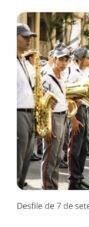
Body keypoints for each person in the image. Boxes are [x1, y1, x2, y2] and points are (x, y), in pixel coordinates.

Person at [41, 47, 70, 189]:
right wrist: (47, 125)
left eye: (66, 60)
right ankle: (47, 186)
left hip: (63, 115)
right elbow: (43, 103)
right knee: (50, 154)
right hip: (53, 117)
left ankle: (54, 185)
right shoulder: (46, 77)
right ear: (54, 59)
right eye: (61, 60)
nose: (63, 63)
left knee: (58, 155)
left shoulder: (62, 77)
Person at [67, 47, 89, 190]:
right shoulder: (73, 73)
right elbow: (69, 97)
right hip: (76, 110)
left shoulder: (83, 72)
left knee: (83, 147)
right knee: (75, 147)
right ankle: (73, 181)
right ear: (81, 59)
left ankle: (79, 177)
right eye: (87, 58)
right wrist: (73, 119)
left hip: (84, 109)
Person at [17, 23, 37, 189]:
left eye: (30, 37)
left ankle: (19, 184)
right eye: (25, 37)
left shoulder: (23, 61)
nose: (29, 40)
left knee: (26, 155)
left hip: (29, 112)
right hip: (17, 113)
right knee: (17, 155)